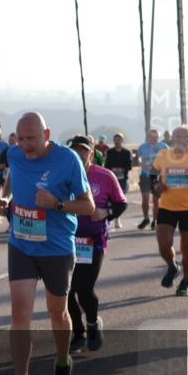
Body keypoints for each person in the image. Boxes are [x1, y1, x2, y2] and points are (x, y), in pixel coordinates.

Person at [0, 112, 94, 375]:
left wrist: (57, 204)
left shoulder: (68, 160)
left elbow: (88, 206)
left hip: (56, 247)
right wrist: (5, 197)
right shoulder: (15, 153)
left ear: (47, 134)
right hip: (21, 244)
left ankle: (63, 361)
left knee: (57, 312)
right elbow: (12, 176)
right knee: (19, 313)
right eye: (21, 139)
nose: (26, 145)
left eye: (32, 139)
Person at [66, 136, 127, 353]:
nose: (79, 154)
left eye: (83, 150)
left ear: (91, 154)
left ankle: (92, 325)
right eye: (74, 150)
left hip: (93, 241)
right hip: (66, 240)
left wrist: (106, 212)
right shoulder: (61, 175)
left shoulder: (105, 176)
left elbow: (121, 203)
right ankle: (78, 332)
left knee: (84, 288)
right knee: (65, 291)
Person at [150, 125, 188, 297]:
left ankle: (186, 282)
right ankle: (172, 266)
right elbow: (152, 175)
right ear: (172, 139)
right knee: (163, 245)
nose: (181, 139)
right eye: (178, 136)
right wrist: (156, 187)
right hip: (167, 207)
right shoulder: (163, 155)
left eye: (185, 136)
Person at [136, 129, 169, 229]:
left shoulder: (164, 147)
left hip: (158, 176)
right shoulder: (143, 147)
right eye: (152, 137)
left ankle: (155, 220)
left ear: (158, 137)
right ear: (148, 137)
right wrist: (141, 163)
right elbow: (137, 158)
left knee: (155, 200)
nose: (154, 139)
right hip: (145, 175)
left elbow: (169, 159)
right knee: (145, 198)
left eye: (156, 137)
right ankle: (146, 218)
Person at [104, 133, 133, 228]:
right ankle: (109, 218)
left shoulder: (127, 152)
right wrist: (112, 170)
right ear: (113, 141)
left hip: (122, 179)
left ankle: (117, 219)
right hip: (111, 178)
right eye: (116, 139)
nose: (117, 141)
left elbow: (130, 166)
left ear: (122, 141)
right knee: (110, 199)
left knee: (120, 199)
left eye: (119, 139)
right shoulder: (109, 152)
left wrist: (121, 169)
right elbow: (106, 165)